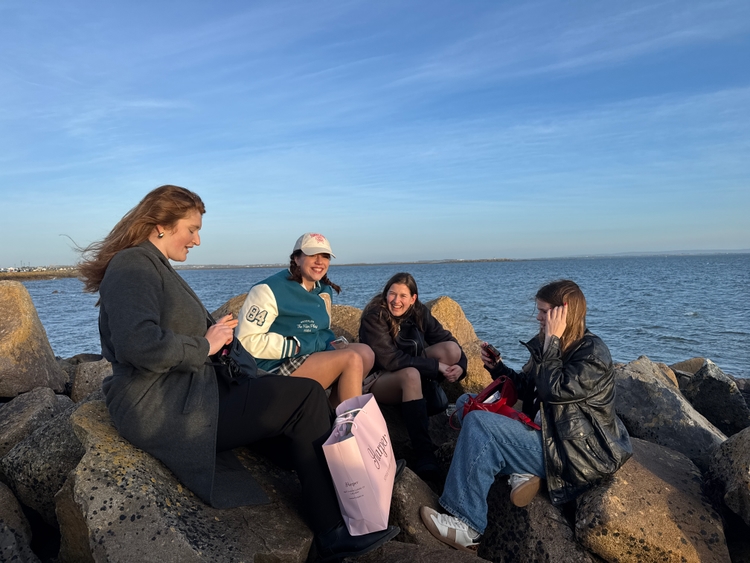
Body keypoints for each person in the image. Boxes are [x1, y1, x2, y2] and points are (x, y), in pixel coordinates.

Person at [78, 186, 398, 561]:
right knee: (305, 396)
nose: (197, 239)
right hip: (161, 407)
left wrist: (218, 341)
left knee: (285, 401)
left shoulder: (150, 264)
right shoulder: (133, 265)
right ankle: (331, 531)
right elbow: (138, 344)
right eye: (192, 228)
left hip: (187, 390)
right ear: (161, 225)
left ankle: (334, 481)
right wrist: (207, 344)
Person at [420, 279, 632, 552]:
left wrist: (552, 341)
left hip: (571, 452)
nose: (538, 317)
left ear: (563, 313)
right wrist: (498, 368)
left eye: (544, 312)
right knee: (466, 403)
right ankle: (523, 470)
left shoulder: (592, 354)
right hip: (546, 431)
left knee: (478, 424)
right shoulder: (556, 345)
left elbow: (552, 390)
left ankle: (466, 524)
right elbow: (528, 387)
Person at [235, 233, 374, 404]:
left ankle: (331, 413)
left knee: (366, 354)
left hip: (311, 355)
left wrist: (331, 343)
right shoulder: (268, 290)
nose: (319, 261)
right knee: (351, 359)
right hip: (274, 366)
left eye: (325, 256)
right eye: (312, 255)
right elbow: (245, 341)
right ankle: (351, 427)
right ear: (297, 258)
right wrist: (296, 346)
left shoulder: (324, 290)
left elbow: (321, 330)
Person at [358, 272, 467, 477]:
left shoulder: (419, 312)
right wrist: (435, 367)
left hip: (412, 368)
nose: (396, 301)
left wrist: (461, 366)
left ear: (413, 298)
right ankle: (424, 453)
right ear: (386, 293)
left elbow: (448, 340)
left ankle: (417, 398)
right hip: (379, 378)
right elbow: (390, 360)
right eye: (392, 294)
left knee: (451, 350)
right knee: (411, 375)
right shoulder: (375, 316)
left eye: (402, 296)